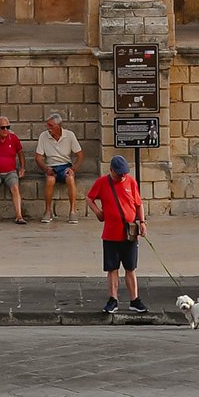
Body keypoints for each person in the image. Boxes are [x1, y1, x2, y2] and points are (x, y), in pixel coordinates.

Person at [87, 153, 149, 317]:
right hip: (111, 234)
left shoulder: (131, 182)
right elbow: (89, 198)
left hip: (129, 233)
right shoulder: (102, 183)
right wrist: (98, 212)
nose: (123, 176)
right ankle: (113, 299)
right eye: (119, 173)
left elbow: (139, 204)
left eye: (124, 173)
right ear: (111, 170)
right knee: (112, 268)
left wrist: (142, 222)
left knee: (130, 268)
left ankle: (134, 300)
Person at [34, 114, 83, 221]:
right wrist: (46, 169)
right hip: (51, 166)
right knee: (50, 179)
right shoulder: (43, 136)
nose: (48, 128)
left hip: (65, 165)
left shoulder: (69, 135)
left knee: (70, 178)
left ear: (58, 125)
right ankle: (47, 211)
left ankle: (72, 211)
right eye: (47, 125)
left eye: (50, 125)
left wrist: (73, 169)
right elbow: (38, 158)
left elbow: (80, 156)